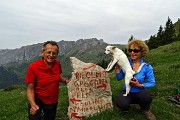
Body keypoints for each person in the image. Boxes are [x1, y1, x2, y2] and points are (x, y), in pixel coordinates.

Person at [25, 41, 70, 120]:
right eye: (49, 52)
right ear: (43, 52)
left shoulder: (57, 64)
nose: (51, 55)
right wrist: (33, 105)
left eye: (54, 53)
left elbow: (57, 76)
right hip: (37, 99)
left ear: (57, 54)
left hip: (52, 100)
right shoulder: (33, 67)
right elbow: (30, 88)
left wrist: (65, 81)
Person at [115, 39, 156, 120]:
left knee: (147, 96)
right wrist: (117, 67)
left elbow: (152, 83)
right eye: (130, 50)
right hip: (127, 92)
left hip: (140, 91)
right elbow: (119, 78)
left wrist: (139, 85)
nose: (132, 53)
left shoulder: (146, 66)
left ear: (142, 52)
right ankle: (132, 104)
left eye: (136, 50)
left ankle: (145, 109)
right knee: (121, 104)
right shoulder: (126, 63)